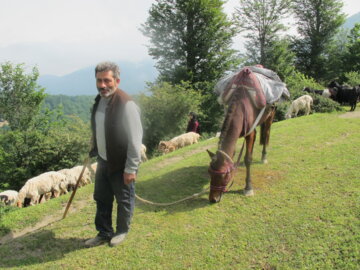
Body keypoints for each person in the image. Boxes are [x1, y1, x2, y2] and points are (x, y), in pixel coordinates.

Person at [85, 61, 143, 248]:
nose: (102, 85)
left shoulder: (127, 105)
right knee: (101, 198)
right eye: (99, 81)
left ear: (117, 80)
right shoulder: (99, 101)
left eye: (107, 81)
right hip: (103, 161)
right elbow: (100, 129)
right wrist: (94, 146)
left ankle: (121, 231)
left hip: (122, 164)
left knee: (124, 199)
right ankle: (103, 233)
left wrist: (131, 168)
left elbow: (135, 140)